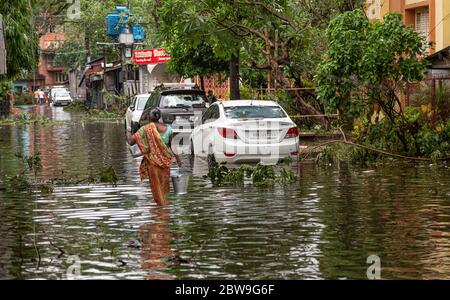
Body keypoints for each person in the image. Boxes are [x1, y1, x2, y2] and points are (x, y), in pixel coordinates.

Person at [127, 109, 182, 206]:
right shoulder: (168, 128)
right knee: (164, 187)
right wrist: (178, 160)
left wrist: (127, 132)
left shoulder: (146, 129)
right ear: (159, 117)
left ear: (149, 117)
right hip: (166, 163)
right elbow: (173, 146)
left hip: (153, 164)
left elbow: (131, 141)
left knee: (156, 187)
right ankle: (164, 210)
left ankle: (158, 211)